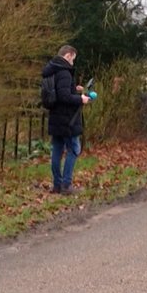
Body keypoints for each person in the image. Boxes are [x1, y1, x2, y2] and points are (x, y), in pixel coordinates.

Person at [42, 44, 91, 195]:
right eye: (73, 59)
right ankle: (66, 184)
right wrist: (80, 99)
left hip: (55, 117)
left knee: (57, 150)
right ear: (68, 55)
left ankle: (57, 185)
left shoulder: (52, 70)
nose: (73, 63)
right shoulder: (64, 72)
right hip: (66, 119)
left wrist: (73, 89)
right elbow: (64, 97)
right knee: (74, 149)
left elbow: (59, 91)